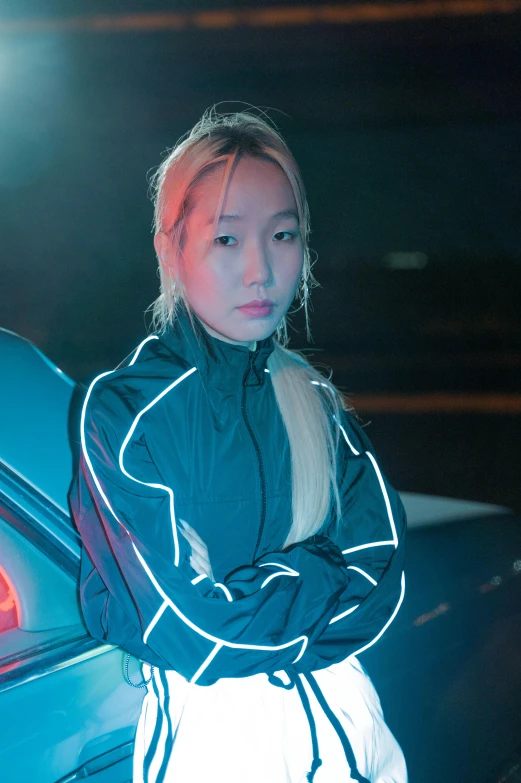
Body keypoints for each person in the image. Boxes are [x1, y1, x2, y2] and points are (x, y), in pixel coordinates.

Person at [68, 105, 408, 783]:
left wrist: (244, 592)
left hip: (354, 732)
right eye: (227, 239)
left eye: (283, 234)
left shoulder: (311, 398)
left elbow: (386, 577)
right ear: (170, 248)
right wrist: (321, 571)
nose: (260, 269)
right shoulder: (126, 412)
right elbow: (192, 633)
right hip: (217, 748)